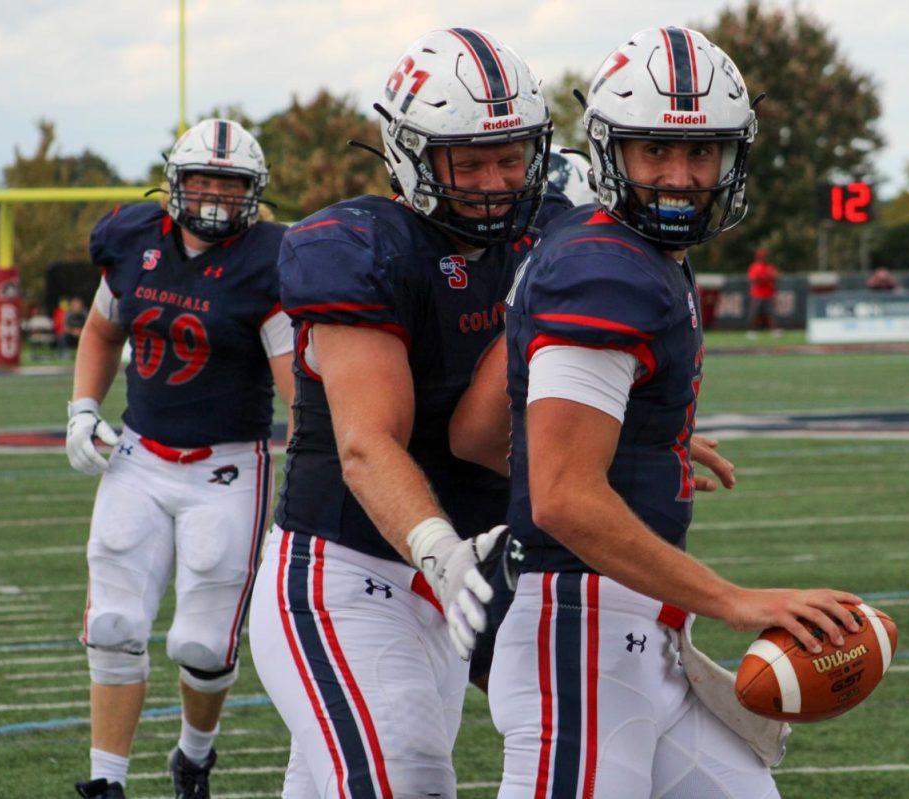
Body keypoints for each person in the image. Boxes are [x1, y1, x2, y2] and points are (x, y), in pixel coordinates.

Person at [486, 27, 862, 798]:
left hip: (636, 635)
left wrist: (638, 437)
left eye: (702, 153)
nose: (681, 176)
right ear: (609, 151)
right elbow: (560, 493)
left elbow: (480, 432)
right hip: (581, 637)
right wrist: (736, 598)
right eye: (654, 150)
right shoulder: (602, 269)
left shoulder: (625, 252)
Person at [246, 28, 567, 798]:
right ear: (412, 153)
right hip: (346, 575)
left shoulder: (552, 233)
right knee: (406, 778)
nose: (495, 180)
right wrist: (447, 560)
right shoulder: (364, 244)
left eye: (510, 154)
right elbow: (365, 445)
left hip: (463, 577)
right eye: (470, 160)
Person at [67, 117, 293, 799]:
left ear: (253, 192)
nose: (215, 197)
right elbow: (103, 330)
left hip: (227, 466)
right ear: (176, 183)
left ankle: (194, 754)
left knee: (201, 644)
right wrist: (83, 406)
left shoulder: (270, 261)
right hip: (139, 454)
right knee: (112, 622)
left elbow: (296, 389)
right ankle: (106, 780)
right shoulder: (136, 242)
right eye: (202, 180)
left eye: (230, 184)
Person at [746, 246, 779, 336]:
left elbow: (776, 276)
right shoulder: (754, 267)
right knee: (754, 314)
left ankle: (774, 331)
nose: (764, 257)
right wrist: (766, 279)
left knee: (771, 313)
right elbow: (754, 280)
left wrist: (766, 279)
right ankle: (751, 332)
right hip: (757, 294)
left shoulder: (769, 266)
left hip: (768, 293)